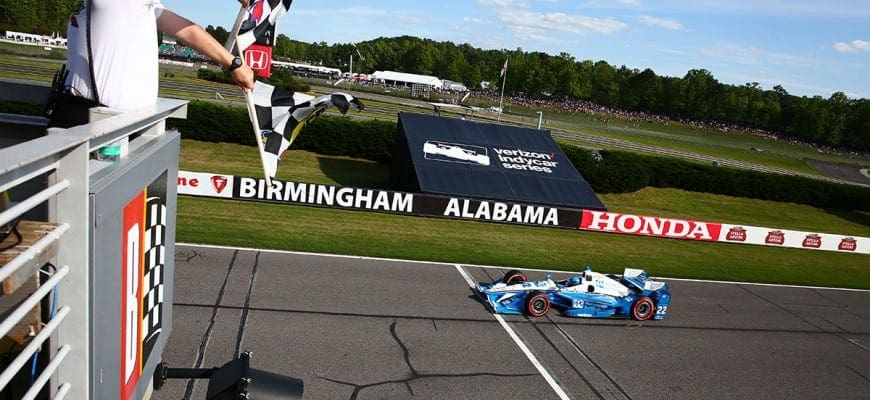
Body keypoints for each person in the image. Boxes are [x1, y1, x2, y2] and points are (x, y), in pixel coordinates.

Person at [47, 0, 255, 128]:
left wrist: (234, 64)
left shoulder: (141, 5)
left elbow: (190, 31)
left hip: (113, 124)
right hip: (89, 122)